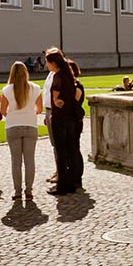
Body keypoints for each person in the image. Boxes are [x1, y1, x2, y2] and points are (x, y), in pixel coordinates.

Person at [43, 46, 86, 195]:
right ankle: (73, 182)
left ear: (53, 63)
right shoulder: (68, 75)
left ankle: (62, 186)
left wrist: (56, 101)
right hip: (71, 119)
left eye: (47, 62)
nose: (46, 65)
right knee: (72, 150)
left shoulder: (58, 76)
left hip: (60, 119)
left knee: (61, 153)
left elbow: (56, 100)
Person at [0, 60, 42, 202]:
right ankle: (29, 191)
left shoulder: (7, 90)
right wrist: (29, 113)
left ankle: (17, 192)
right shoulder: (35, 88)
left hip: (13, 126)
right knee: (30, 160)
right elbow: (39, 108)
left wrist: (13, 115)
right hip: (30, 125)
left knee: (16, 161)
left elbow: (2, 111)